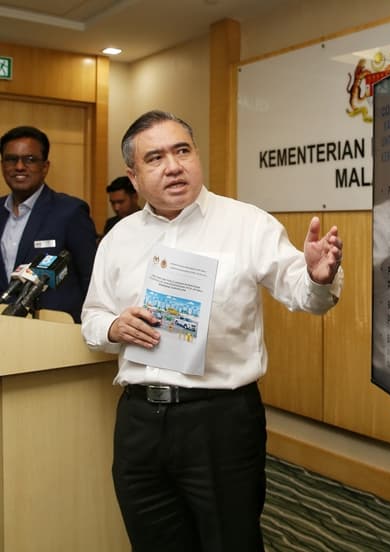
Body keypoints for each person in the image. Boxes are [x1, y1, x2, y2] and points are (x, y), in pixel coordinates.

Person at [81, 110, 343, 552]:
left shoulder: (246, 224)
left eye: (182, 151)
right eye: (155, 158)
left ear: (197, 155)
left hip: (220, 421)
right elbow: (91, 317)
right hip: (139, 422)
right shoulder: (117, 239)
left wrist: (318, 278)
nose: (173, 166)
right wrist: (113, 326)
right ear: (134, 176)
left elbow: (305, 296)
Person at [0, 125, 97, 322]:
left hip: (52, 329)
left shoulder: (70, 211)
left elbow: (91, 278)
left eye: (30, 159)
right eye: (11, 159)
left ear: (45, 167)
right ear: (2, 165)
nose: (19, 167)